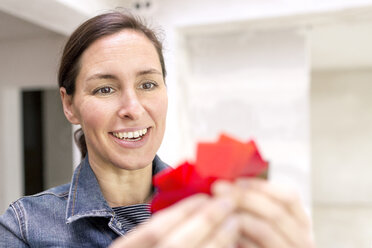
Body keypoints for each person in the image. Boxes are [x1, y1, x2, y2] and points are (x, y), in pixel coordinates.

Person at [0, 11, 315, 248]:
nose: (133, 108)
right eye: (105, 90)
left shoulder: (216, 205)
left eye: (147, 84)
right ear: (69, 105)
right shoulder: (24, 226)